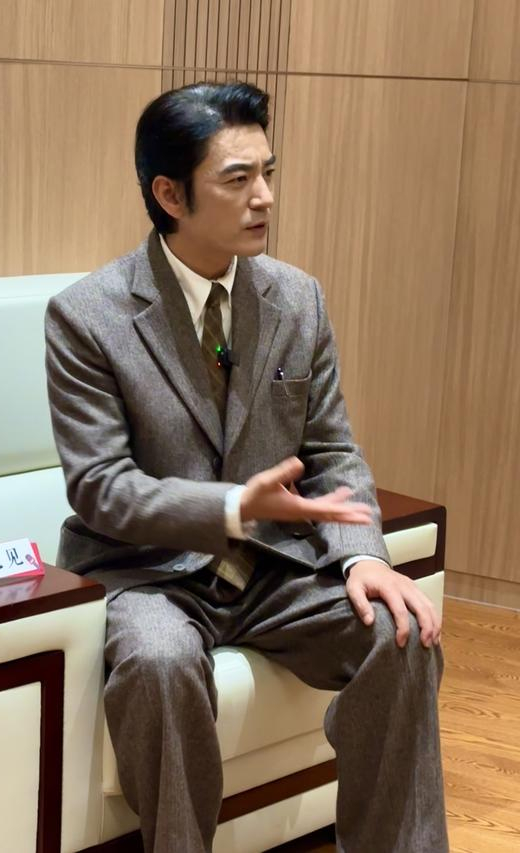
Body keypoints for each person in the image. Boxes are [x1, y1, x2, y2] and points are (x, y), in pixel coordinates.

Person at [45, 81, 448, 853]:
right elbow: (101, 488)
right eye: (237, 178)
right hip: (149, 571)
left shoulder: (298, 298)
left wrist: (364, 555)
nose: (264, 196)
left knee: (403, 632)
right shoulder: (87, 316)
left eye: (268, 172)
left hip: (273, 569)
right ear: (170, 194)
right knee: (159, 660)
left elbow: (332, 449)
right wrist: (232, 506)